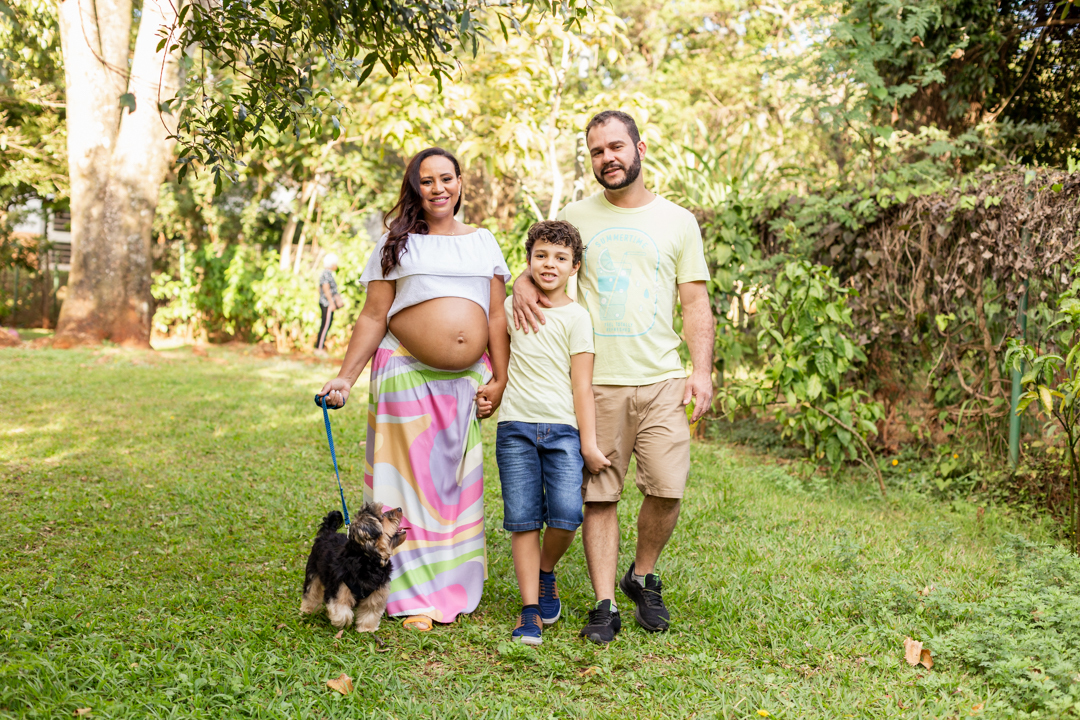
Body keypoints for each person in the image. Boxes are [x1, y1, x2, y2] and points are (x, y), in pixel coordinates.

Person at [511, 110, 715, 644]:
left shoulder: (678, 221)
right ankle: (604, 604)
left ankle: (642, 576)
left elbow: (695, 301)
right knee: (600, 495)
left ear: (639, 148)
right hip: (598, 380)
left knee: (668, 489)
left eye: (616, 147)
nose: (608, 158)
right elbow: (546, 265)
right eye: (597, 151)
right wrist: (520, 282)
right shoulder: (577, 215)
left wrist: (702, 371)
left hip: (663, 378)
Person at [317, 147, 511, 632]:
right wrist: (345, 377)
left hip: (462, 385)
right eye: (427, 181)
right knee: (406, 491)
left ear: (460, 182)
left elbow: (496, 316)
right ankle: (406, 595)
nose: (438, 188)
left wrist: (500, 378)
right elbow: (373, 316)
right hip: (405, 375)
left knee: (453, 490)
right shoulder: (397, 243)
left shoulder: (484, 241)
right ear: (415, 188)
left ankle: (450, 588)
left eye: (447, 178)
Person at [496, 220, 611, 646]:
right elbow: (498, 358)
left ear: (575, 266)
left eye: (561, 258)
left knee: (567, 516)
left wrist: (588, 444)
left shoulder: (577, 318)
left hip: (563, 431)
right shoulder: (511, 307)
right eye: (541, 255)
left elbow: (582, 386)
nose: (549, 264)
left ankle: (546, 571)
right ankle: (530, 610)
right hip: (515, 428)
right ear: (528, 261)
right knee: (523, 519)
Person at [315, 253, 343, 356]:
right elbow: (325, 289)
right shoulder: (326, 274)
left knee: (326, 325)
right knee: (325, 325)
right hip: (327, 304)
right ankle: (319, 349)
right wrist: (331, 303)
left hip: (326, 303)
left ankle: (320, 347)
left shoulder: (328, 274)